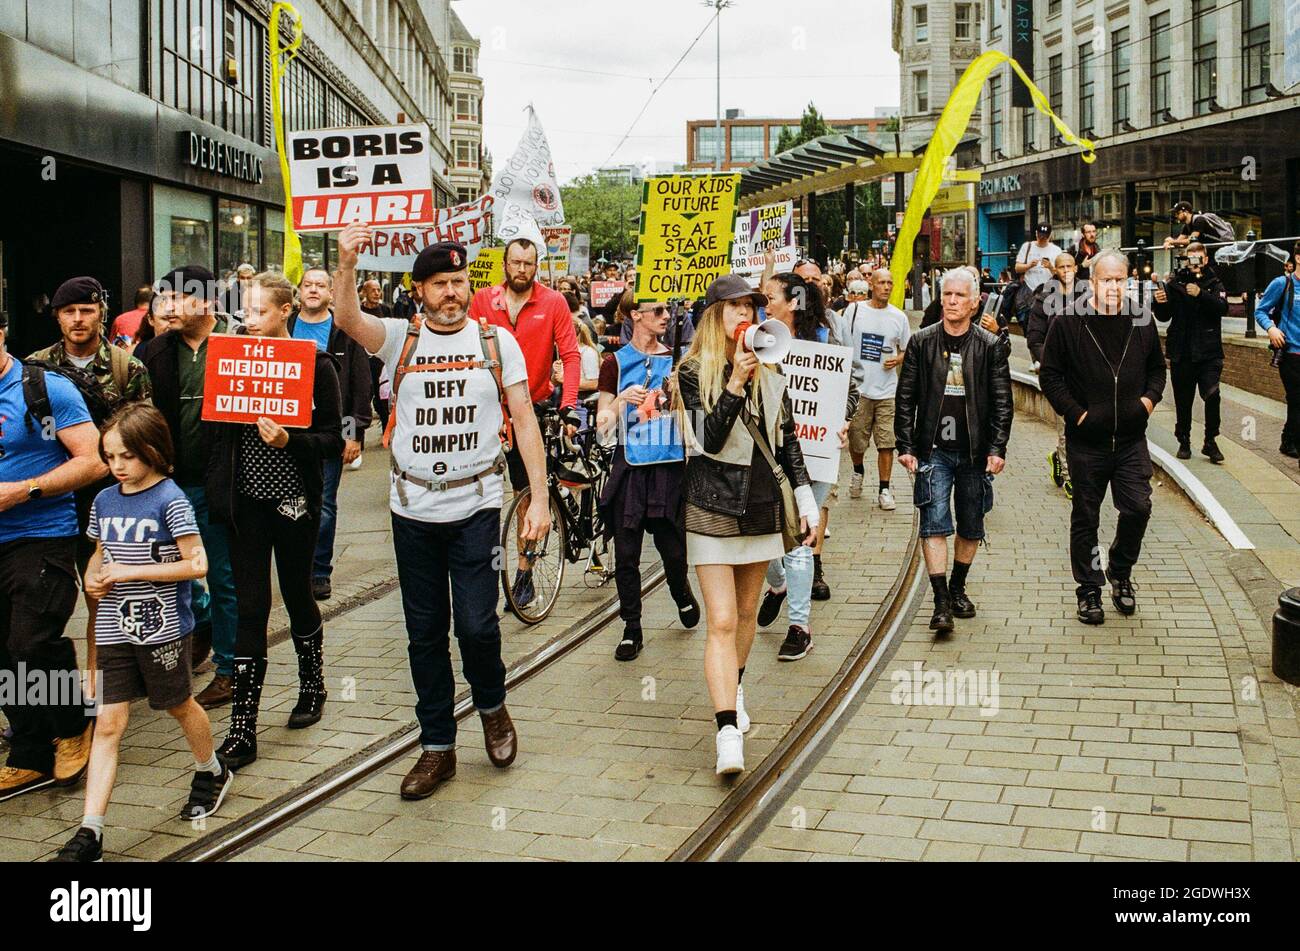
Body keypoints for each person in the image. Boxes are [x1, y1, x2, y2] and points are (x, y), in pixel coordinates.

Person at [333, 224, 549, 799]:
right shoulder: (399, 338)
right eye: (439, 284)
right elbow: (349, 320)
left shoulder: (495, 342)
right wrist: (347, 263)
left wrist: (540, 498)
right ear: (420, 289)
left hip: (477, 505)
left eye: (458, 281)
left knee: (478, 626)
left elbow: (524, 419)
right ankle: (436, 747)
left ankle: (492, 706)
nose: (451, 292)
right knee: (424, 633)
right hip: (412, 512)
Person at [51, 405, 227, 862]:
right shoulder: (106, 500)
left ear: (153, 449)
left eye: (127, 456)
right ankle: (90, 831)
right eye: (109, 457)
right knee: (108, 723)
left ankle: (210, 768)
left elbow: (198, 564)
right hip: (113, 628)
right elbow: (100, 551)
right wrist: (93, 575)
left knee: (176, 704)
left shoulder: (170, 499)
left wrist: (133, 571)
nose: (117, 467)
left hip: (163, 628)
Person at [673, 275, 818, 776]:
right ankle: (726, 730)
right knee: (722, 619)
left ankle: (733, 686)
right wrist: (735, 382)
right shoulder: (691, 372)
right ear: (714, 316)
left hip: (760, 506)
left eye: (750, 308)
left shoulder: (772, 372)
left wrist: (804, 496)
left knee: (750, 613)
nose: (745, 316)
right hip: (712, 506)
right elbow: (709, 440)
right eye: (734, 308)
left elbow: (788, 440)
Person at [208, 272, 343, 769]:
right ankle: (242, 728)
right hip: (245, 502)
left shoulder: (316, 365)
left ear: (285, 310)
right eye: (246, 312)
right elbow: (214, 430)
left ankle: (313, 684)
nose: (250, 320)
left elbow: (333, 438)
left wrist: (292, 441)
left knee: (295, 591)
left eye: (260, 312)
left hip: (293, 502)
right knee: (250, 607)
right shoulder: (231, 359)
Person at [0, 308, 104, 802]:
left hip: (42, 534)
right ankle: (29, 750)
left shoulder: (43, 388)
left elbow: (93, 460)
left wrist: (25, 490)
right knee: (2, 651)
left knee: (32, 642)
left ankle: (71, 724)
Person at [1039, 250, 1166, 625]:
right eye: (1106, 280)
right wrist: (1077, 414)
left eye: (1119, 280)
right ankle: (1089, 590)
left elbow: (1158, 370)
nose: (1113, 287)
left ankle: (1121, 571)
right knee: (1086, 517)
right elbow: (1051, 376)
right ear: (1091, 282)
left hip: (1130, 440)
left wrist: (1146, 403)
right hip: (1087, 442)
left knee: (1138, 507)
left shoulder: (1141, 320)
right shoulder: (1067, 321)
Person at [135, 266, 240, 709]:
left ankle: (232, 670)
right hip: (167, 487)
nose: (168, 307)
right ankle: (198, 635)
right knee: (178, 579)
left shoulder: (240, 347)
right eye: (165, 299)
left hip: (221, 485)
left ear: (209, 302)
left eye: (179, 298)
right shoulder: (154, 352)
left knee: (223, 576)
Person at [895, 268, 1013, 636]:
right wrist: (906, 445)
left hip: (975, 453)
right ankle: (941, 600)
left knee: (971, 524)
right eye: (946, 295)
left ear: (975, 302)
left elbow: (1001, 401)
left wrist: (997, 448)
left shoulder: (990, 346)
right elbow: (906, 396)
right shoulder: (921, 342)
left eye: (960, 296)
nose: (951, 302)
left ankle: (959, 585)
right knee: (934, 522)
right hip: (933, 449)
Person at [470, 237, 580, 607]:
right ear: (504, 263)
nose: (521, 269)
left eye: (528, 264)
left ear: (536, 266)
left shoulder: (553, 302)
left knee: (527, 495)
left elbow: (570, 355)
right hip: (487, 412)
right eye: (515, 262)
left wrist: (570, 407)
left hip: (530, 411)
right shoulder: (483, 300)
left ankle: (524, 571)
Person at [754, 272, 854, 661]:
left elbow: (850, 391)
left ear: (792, 302)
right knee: (765, 537)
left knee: (799, 538)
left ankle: (799, 627)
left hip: (812, 455)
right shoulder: (759, 340)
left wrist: (842, 419)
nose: (764, 304)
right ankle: (777, 586)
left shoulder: (824, 342)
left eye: (770, 297)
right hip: (767, 454)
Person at [594, 300, 700, 661]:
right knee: (626, 553)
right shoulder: (614, 363)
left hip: (668, 466)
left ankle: (680, 590)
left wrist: (680, 396)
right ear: (634, 315)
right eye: (657, 311)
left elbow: (697, 418)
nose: (666, 317)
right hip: (630, 466)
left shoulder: (679, 360)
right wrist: (621, 401)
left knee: (673, 550)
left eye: (667, 311)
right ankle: (632, 627)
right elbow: (602, 426)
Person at [289, 267, 372, 600]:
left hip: (328, 431)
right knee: (290, 502)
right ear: (298, 292)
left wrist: (353, 433)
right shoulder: (286, 325)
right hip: (288, 432)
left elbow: (359, 383)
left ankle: (319, 571)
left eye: (320, 285)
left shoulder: (344, 330)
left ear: (330, 293)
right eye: (307, 284)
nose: (313, 290)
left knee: (323, 502)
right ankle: (296, 567)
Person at [1153, 242, 1229, 462]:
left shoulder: (1214, 282)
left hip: (1209, 352)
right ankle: (1184, 440)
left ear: (1205, 259)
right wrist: (1159, 302)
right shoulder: (1175, 283)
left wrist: (1200, 294)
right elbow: (1164, 316)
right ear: (1185, 259)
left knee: (1212, 394)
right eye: (1190, 258)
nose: (1194, 262)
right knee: (1183, 400)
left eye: (1199, 258)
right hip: (1182, 352)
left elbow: (1222, 308)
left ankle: (1210, 440)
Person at [843, 268, 910, 510]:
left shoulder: (898, 317)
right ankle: (858, 470)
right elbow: (841, 341)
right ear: (871, 284)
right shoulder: (855, 311)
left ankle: (884, 489)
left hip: (887, 390)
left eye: (890, 283)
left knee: (886, 441)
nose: (886, 287)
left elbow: (906, 349)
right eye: (881, 282)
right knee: (857, 441)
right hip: (859, 389)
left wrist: (898, 359)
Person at [1027, 253, 1084, 497]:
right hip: (1060, 375)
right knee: (1066, 426)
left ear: (1076, 268)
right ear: (1055, 270)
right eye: (1061, 267)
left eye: (1070, 266)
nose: (1066, 271)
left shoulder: (1088, 295)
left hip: (1087, 372)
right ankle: (1072, 478)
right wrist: (1051, 363)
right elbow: (1034, 337)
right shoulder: (1044, 298)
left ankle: (1060, 460)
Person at [1253, 241, 1300, 460]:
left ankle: (1288, 438)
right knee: (1297, 398)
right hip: (1290, 353)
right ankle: (1292, 441)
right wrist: (1271, 328)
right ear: (1298, 258)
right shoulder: (1283, 283)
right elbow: (1261, 311)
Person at [1016, 223, 1063, 293]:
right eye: (1040, 236)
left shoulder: (1057, 250)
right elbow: (1017, 268)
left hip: (1048, 290)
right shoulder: (1027, 246)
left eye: (1045, 237)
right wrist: (1028, 266)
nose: (1042, 239)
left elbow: (1060, 274)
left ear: (1050, 235)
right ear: (1036, 233)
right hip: (1028, 289)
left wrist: (1050, 267)